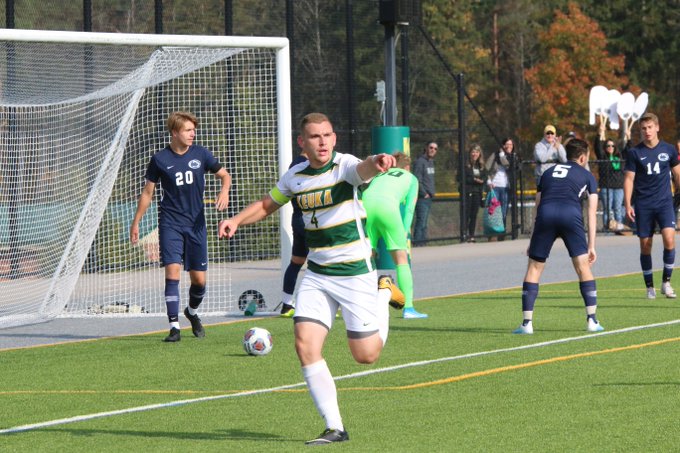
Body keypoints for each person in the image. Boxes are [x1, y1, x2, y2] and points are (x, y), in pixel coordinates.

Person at [217, 112, 404, 445]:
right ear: (302, 142)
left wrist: (378, 161)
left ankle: (383, 292)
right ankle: (335, 427)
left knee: (366, 355)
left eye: (328, 135)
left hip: (355, 273)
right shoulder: (295, 176)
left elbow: (365, 168)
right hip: (317, 274)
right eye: (315, 137)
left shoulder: (344, 166)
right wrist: (236, 220)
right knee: (305, 344)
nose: (323, 142)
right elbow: (266, 205)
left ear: (335, 138)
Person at [130, 111, 231, 342]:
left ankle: (192, 313)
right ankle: (174, 327)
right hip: (170, 224)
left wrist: (224, 190)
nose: (192, 133)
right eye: (188, 129)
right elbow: (148, 193)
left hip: (195, 226)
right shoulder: (159, 160)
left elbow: (225, 176)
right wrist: (135, 223)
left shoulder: (201, 154)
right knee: (173, 271)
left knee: (199, 281)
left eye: (193, 129)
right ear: (174, 132)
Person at [513, 138, 604, 334]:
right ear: (582, 157)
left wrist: (532, 239)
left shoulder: (547, 173)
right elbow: (591, 212)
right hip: (570, 217)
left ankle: (527, 323)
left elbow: (537, 206)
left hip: (545, 216)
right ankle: (592, 320)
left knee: (534, 268)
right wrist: (592, 245)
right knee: (583, 267)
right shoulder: (587, 175)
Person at [363, 152, 427, 319]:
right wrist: (405, 231)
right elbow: (409, 210)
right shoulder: (411, 178)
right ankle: (409, 308)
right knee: (401, 261)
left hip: (365, 206)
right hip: (387, 209)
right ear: (406, 167)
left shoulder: (380, 175)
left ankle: (361, 305)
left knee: (366, 258)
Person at [623, 112, 680, 299]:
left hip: (665, 203)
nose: (647, 131)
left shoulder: (669, 149)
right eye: (643, 129)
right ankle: (649, 287)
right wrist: (627, 203)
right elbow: (629, 179)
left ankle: (666, 282)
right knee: (645, 245)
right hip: (643, 204)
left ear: (657, 127)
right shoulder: (634, 153)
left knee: (669, 239)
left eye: (650, 127)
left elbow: (677, 174)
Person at [278, 149, 309, 318]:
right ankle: (313, 305)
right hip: (307, 220)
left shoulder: (296, 164)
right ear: (302, 142)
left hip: (298, 219)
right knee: (320, 263)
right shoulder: (301, 165)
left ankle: (286, 304)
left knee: (297, 261)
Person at [595, 118, 625, 231]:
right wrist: (599, 133)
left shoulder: (619, 158)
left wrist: (628, 136)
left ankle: (620, 229)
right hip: (606, 187)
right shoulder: (603, 157)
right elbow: (597, 147)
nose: (610, 147)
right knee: (607, 209)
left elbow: (628, 149)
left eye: (612, 146)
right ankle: (607, 229)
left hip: (618, 187)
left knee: (617, 209)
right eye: (608, 146)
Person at [485, 137, 517, 237]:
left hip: (506, 187)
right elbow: (486, 168)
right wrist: (489, 181)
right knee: (493, 211)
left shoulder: (513, 157)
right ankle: (492, 233)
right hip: (495, 187)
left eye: (511, 145)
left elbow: (507, 164)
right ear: (502, 145)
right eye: (506, 144)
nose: (508, 146)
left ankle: (501, 233)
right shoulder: (495, 155)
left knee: (503, 211)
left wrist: (503, 155)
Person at [458, 144, 487, 243]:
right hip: (467, 192)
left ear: (480, 154)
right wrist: (474, 180)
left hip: (477, 193)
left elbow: (485, 177)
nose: (475, 154)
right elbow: (460, 177)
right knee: (466, 214)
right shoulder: (465, 165)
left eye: (477, 152)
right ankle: (464, 235)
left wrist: (482, 180)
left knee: (474, 215)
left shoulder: (481, 166)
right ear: (470, 153)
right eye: (473, 152)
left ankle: (471, 236)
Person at [412, 141, 437, 245]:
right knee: (421, 221)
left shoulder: (430, 162)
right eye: (431, 147)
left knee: (424, 222)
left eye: (435, 149)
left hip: (429, 197)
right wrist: (424, 193)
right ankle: (418, 244)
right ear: (426, 148)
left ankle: (423, 243)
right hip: (422, 197)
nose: (433, 150)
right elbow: (417, 179)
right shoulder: (420, 162)